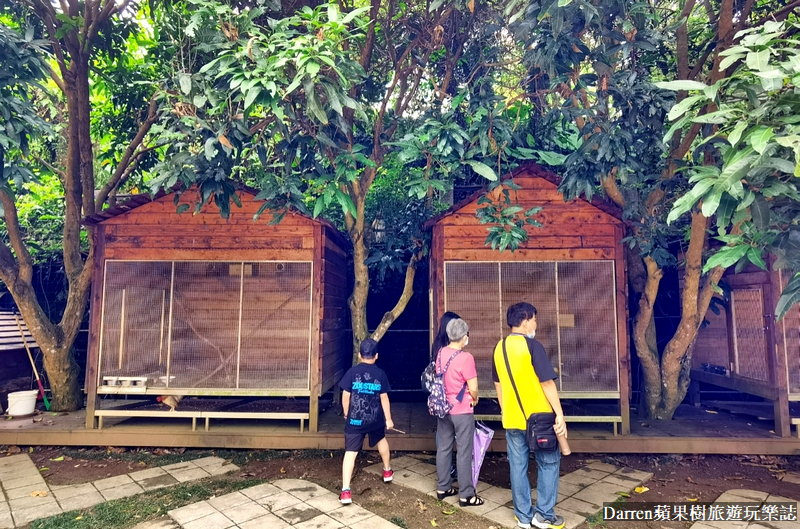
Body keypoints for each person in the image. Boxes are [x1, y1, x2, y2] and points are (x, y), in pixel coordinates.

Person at [492, 303, 567, 529]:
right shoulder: (533, 346)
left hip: (513, 418)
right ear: (525, 321)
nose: (535, 324)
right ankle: (543, 515)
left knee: (518, 466)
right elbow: (546, 383)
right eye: (534, 319)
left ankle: (523, 516)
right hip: (540, 419)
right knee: (549, 462)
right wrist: (559, 414)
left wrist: (505, 409)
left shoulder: (499, 347)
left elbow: (498, 384)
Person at [435, 318, 483, 507]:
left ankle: (443, 487)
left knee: (444, 447)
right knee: (464, 451)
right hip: (462, 409)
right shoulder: (466, 358)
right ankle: (466, 494)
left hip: (443, 407)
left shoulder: (441, 353)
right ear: (464, 336)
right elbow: (473, 387)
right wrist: (475, 398)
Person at [339, 338, 394, 505]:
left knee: (350, 452)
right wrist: (388, 419)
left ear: (359, 355)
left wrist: (347, 413)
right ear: (376, 356)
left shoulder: (352, 372)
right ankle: (387, 471)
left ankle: (346, 491)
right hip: (374, 419)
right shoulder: (380, 374)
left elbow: (346, 395)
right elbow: (384, 398)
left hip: (355, 420)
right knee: (381, 440)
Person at [432, 311, 461, 479]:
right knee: (451, 432)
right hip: (451, 394)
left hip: (439, 394)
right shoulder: (448, 348)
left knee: (442, 430)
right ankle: (450, 467)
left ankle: (445, 468)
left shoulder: (437, 345)